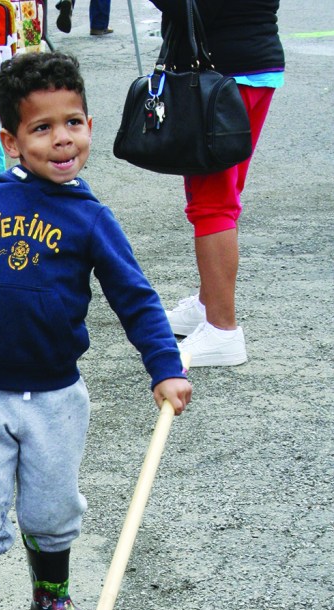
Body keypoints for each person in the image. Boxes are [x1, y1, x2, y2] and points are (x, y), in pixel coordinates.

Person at [0, 51, 192, 610]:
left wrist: (165, 367)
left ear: (89, 124)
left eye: (74, 122)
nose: (62, 139)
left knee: (52, 507)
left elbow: (136, 299)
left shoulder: (89, 218)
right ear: (11, 139)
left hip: (57, 396)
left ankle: (51, 601)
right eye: (42, 128)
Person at [149, 0, 285, 366]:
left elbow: (197, 8)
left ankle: (222, 328)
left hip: (226, 71)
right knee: (219, 194)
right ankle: (210, 303)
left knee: (212, 204)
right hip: (248, 63)